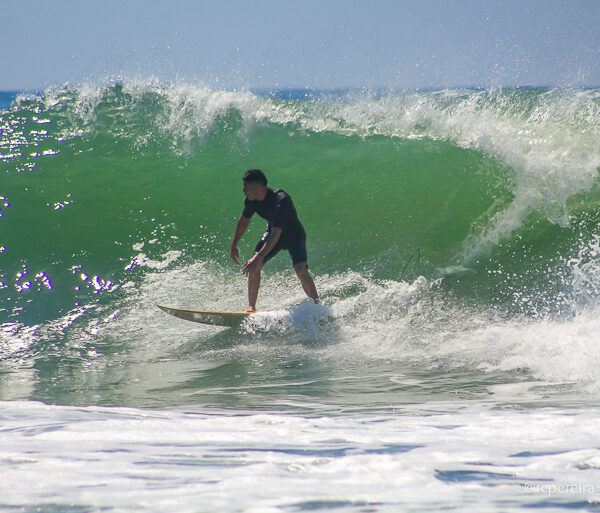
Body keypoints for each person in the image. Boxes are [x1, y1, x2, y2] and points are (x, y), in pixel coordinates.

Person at [230, 169, 319, 312]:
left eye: (246, 187)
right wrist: (234, 244)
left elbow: (276, 234)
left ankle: (317, 305)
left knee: (300, 270)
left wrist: (259, 257)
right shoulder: (251, 201)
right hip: (272, 232)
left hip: (293, 235)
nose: (243, 190)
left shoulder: (281, 199)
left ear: (257, 188)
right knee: (254, 265)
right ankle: (251, 307)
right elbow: (244, 220)